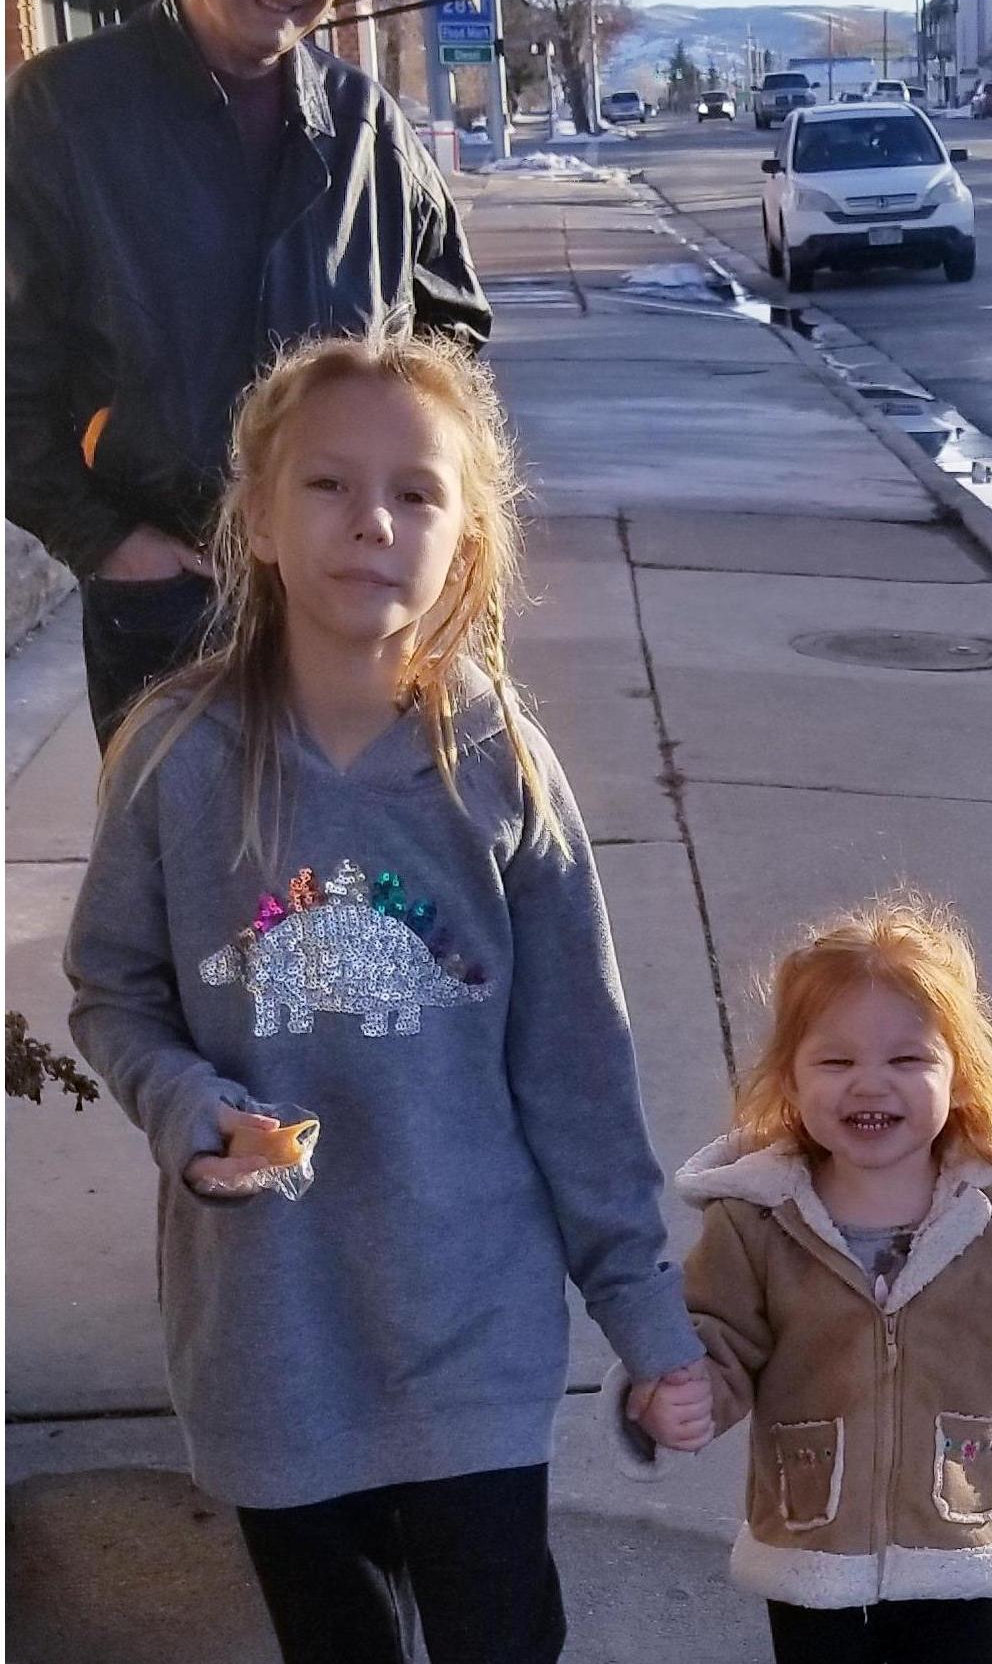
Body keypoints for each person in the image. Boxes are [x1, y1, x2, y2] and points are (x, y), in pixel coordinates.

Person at [64, 334, 698, 1664]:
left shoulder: (502, 774)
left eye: (416, 490)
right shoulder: (175, 757)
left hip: (472, 1335)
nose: (372, 519)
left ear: (465, 534)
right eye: (329, 485)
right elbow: (113, 990)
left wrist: (647, 1321)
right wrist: (191, 1107)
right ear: (257, 517)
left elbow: (579, 1078)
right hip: (270, 1342)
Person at [6, 0, 490, 748]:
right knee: (186, 884)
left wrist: (406, 510)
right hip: (167, 615)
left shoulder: (367, 129)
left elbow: (453, 346)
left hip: (353, 613)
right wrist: (108, 542)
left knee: (344, 888)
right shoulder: (66, 112)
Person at [634, 893, 992, 1664]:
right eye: (836, 1061)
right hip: (813, 1537)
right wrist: (677, 1392)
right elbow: (718, 1338)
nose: (871, 1084)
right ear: (792, 1084)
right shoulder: (756, 1218)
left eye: (906, 1060)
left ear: (959, 1077)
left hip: (957, 1528)